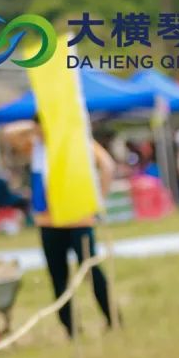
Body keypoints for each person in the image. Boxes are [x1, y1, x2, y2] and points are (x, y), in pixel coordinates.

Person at [29, 119, 116, 337]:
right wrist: (40, 128)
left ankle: (111, 318)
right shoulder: (37, 146)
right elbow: (10, 133)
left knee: (90, 271)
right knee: (60, 278)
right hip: (49, 222)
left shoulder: (77, 141)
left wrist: (98, 202)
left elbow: (107, 166)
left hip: (78, 219)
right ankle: (72, 328)